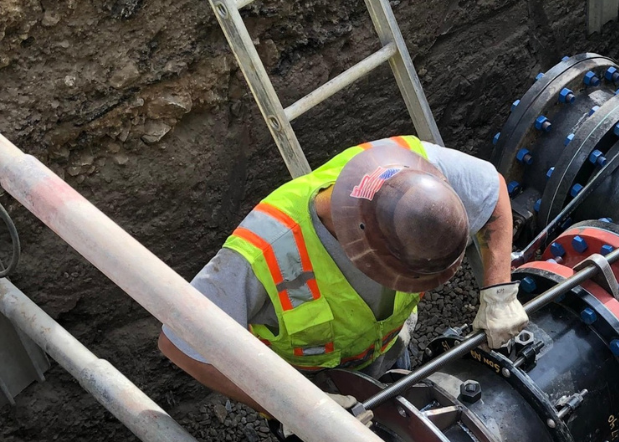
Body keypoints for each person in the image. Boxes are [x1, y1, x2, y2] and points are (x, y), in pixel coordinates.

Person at [157, 135, 527, 418]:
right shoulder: (261, 253)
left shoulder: (411, 165)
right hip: (310, 383)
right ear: (367, 252)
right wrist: (291, 410)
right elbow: (180, 343)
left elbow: (491, 190)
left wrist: (499, 291)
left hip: (388, 353)